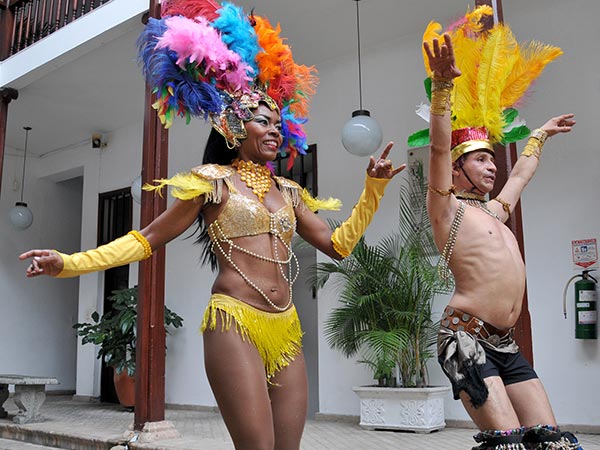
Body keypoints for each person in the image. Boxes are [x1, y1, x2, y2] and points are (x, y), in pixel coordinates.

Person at [19, 2, 405, 450]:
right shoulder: (211, 183)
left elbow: (338, 245)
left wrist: (373, 189)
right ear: (233, 126)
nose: (275, 129)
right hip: (233, 322)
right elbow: (147, 240)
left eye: (279, 123)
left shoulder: (290, 192)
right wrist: (69, 263)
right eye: (263, 120)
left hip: (287, 326)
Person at [420, 7, 580, 450]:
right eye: (481, 159)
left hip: (505, 344)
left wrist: (540, 136)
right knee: (507, 443)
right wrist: (443, 89)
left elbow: (522, 175)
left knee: (552, 441)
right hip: (464, 338)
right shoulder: (445, 208)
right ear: (456, 170)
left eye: (492, 159)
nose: (492, 166)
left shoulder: (494, 212)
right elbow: (437, 147)